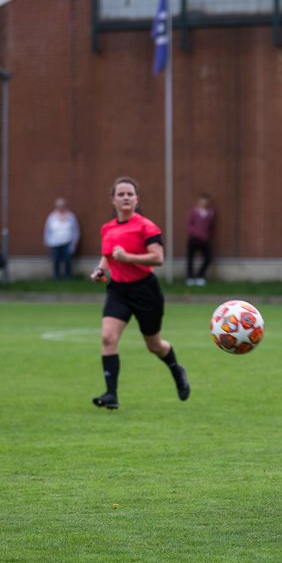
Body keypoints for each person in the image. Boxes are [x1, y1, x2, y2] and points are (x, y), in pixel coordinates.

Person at [89, 176, 190, 410]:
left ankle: (176, 369)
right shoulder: (107, 228)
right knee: (108, 338)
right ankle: (111, 394)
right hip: (118, 291)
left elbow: (158, 258)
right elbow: (107, 254)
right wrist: (99, 270)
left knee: (155, 346)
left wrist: (129, 257)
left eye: (129, 194)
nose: (125, 198)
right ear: (113, 200)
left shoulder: (147, 227)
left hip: (146, 291)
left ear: (136, 199)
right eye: (121, 194)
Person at [44, 197, 80, 280]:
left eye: (62, 205)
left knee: (68, 260)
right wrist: (46, 241)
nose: (61, 207)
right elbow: (47, 230)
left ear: (65, 206)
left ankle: (68, 276)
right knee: (56, 260)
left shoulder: (70, 216)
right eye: (59, 206)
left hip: (68, 242)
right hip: (54, 242)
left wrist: (74, 242)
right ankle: (56, 276)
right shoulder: (52, 216)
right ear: (56, 207)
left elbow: (75, 230)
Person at [185, 192, 215, 286]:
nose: (204, 203)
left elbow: (211, 226)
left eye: (205, 202)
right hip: (194, 238)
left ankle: (199, 277)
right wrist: (194, 232)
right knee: (190, 258)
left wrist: (208, 235)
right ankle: (190, 278)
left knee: (208, 258)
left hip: (205, 239)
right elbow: (189, 224)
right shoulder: (195, 211)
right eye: (202, 201)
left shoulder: (210, 213)